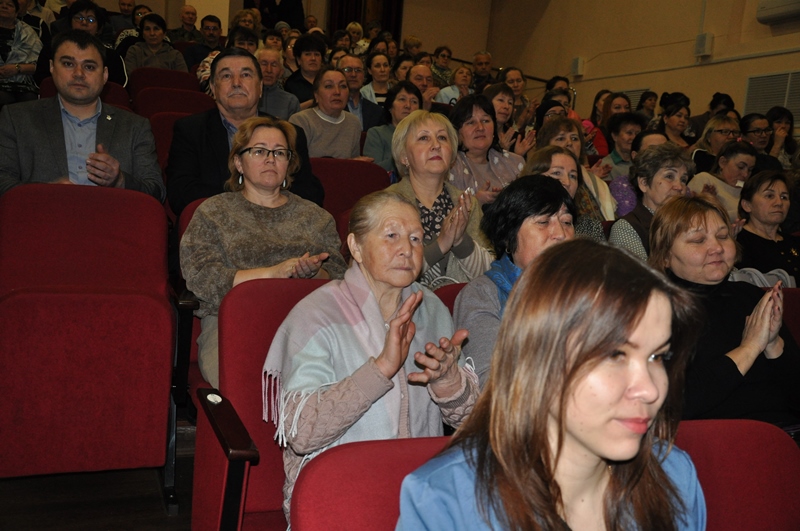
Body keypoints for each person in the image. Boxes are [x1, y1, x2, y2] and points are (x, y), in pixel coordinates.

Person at [398, 239, 707, 531]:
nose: (651, 390)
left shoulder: (673, 476)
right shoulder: (445, 502)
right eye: (615, 355)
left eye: (657, 356)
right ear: (539, 361)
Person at [263, 189, 479, 523]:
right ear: (356, 247)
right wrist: (380, 370)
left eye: (416, 238)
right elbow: (302, 434)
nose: (407, 249)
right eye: (391, 235)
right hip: (340, 495)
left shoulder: (433, 309)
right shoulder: (316, 316)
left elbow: (471, 421)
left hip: (422, 494)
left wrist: (449, 382)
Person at [181, 116, 346, 389]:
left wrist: (315, 273)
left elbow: (339, 276)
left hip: (308, 323)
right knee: (252, 390)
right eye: (259, 151)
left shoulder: (315, 217)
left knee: (338, 386)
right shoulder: (213, 212)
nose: (270, 159)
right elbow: (202, 277)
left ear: (288, 163)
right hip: (233, 323)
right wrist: (273, 273)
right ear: (238, 162)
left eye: (279, 152)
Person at [649, 194, 800, 427]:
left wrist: (773, 345)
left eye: (722, 236)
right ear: (665, 256)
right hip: (720, 441)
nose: (717, 248)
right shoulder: (654, 311)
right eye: (698, 240)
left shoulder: (751, 296)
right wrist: (749, 348)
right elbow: (672, 403)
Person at [0, 30, 163, 200]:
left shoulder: (135, 126)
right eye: (68, 64)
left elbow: (156, 191)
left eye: (89, 67)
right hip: (40, 215)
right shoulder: (16, 118)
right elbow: (3, 180)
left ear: (105, 75)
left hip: (112, 215)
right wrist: (45, 193)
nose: (79, 73)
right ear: (52, 67)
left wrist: (119, 180)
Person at [167, 48, 323, 216]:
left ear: (260, 87)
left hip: (278, 224)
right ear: (213, 87)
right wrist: (251, 203)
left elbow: (308, 193)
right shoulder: (190, 130)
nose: (236, 83)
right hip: (215, 224)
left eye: (246, 75)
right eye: (226, 76)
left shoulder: (289, 133)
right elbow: (181, 194)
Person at [454, 176, 576, 388]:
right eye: (543, 222)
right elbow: (493, 386)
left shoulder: (591, 289)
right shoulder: (482, 296)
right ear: (508, 237)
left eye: (566, 222)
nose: (560, 234)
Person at [387, 110, 493, 288]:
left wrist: (460, 241)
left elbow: (489, 274)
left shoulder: (467, 203)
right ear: (404, 156)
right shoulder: (387, 204)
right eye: (424, 138)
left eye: (442, 138)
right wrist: (441, 244)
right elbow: (387, 271)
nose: (436, 145)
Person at [609, 143, 692, 260]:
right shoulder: (626, 228)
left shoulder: (692, 222)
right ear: (644, 183)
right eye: (669, 176)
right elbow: (641, 271)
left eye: (683, 180)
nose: (679, 187)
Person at [447, 94, 525, 206]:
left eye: (485, 121)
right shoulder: (449, 168)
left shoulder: (515, 162)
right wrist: (476, 203)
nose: (480, 128)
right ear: (457, 131)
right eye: (471, 122)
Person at [536, 116, 617, 222]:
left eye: (574, 138)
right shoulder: (538, 181)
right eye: (561, 138)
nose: (569, 143)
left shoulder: (595, 182)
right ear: (546, 145)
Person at [523, 146, 606, 242]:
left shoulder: (589, 226)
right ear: (535, 177)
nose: (567, 182)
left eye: (572, 176)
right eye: (557, 173)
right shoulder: (521, 220)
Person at [288, 65, 366, 159]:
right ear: (316, 95)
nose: (337, 92)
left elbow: (354, 162)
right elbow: (296, 163)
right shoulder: (301, 121)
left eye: (343, 86)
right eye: (329, 86)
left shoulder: (353, 122)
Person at [736, 170, 800, 278]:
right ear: (747, 205)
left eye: (784, 197)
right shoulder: (738, 243)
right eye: (769, 196)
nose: (779, 203)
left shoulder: (794, 242)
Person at [687, 140, 756, 223]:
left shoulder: (749, 191)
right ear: (722, 162)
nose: (745, 174)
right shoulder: (705, 179)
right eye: (740, 167)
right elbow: (687, 215)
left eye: (750, 170)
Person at [363, 80, 420, 174]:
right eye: (402, 99)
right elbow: (373, 172)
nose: (408, 105)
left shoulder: (424, 136)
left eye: (414, 101)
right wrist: (402, 156)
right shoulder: (377, 134)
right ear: (390, 106)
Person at [610, 130, 668, 217]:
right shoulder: (623, 185)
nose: (660, 155)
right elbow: (631, 220)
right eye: (652, 150)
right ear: (635, 156)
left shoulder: (678, 183)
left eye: (666, 149)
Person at [0, 0, 41, 108]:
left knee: (29, 100)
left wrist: (17, 68)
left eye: (9, 5)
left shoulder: (27, 33)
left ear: (16, 13)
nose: (4, 6)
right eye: (0, 3)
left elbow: (39, 66)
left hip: (23, 82)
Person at [482, 82, 535, 157]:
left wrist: (517, 156)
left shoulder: (515, 138)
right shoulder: (480, 133)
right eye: (501, 100)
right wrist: (501, 150)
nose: (506, 106)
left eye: (510, 103)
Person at [338, 53, 384, 131]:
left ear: (364, 75)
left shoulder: (377, 111)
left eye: (358, 70)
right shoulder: (331, 106)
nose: (353, 74)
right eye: (348, 70)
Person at [601, 112, 647, 182]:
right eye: (629, 133)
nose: (634, 137)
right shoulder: (605, 166)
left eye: (637, 134)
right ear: (614, 136)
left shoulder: (643, 162)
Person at [256, 46, 299, 120]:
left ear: (281, 72)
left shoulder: (291, 101)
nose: (269, 70)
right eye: (264, 64)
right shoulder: (244, 97)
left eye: (274, 65)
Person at [283, 32, 323, 109]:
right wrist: (314, 101)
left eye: (317, 54)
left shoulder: (328, 78)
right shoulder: (291, 84)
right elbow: (289, 111)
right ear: (298, 60)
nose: (313, 58)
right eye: (308, 54)